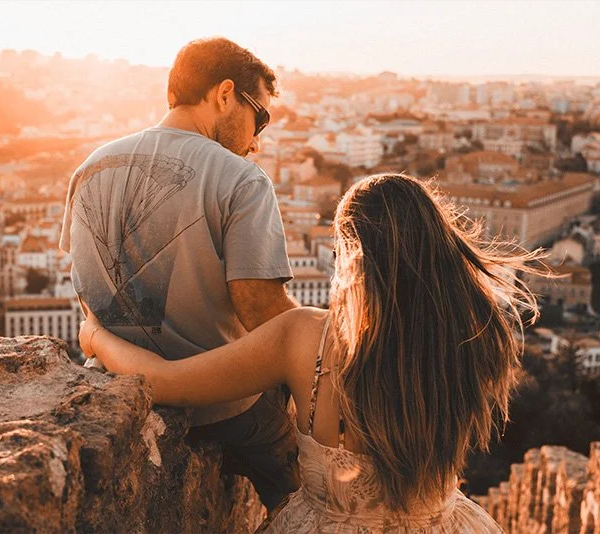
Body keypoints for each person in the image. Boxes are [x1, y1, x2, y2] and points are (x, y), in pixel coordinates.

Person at [79, 174, 545, 532]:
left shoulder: (305, 336)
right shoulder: (477, 337)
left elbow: (168, 383)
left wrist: (96, 336)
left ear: (351, 253)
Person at [59, 37, 299, 511]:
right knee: (304, 487)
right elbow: (261, 311)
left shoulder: (89, 167)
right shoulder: (242, 180)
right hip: (223, 407)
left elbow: (86, 288)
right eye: (261, 118)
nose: (256, 141)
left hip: (116, 386)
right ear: (225, 94)